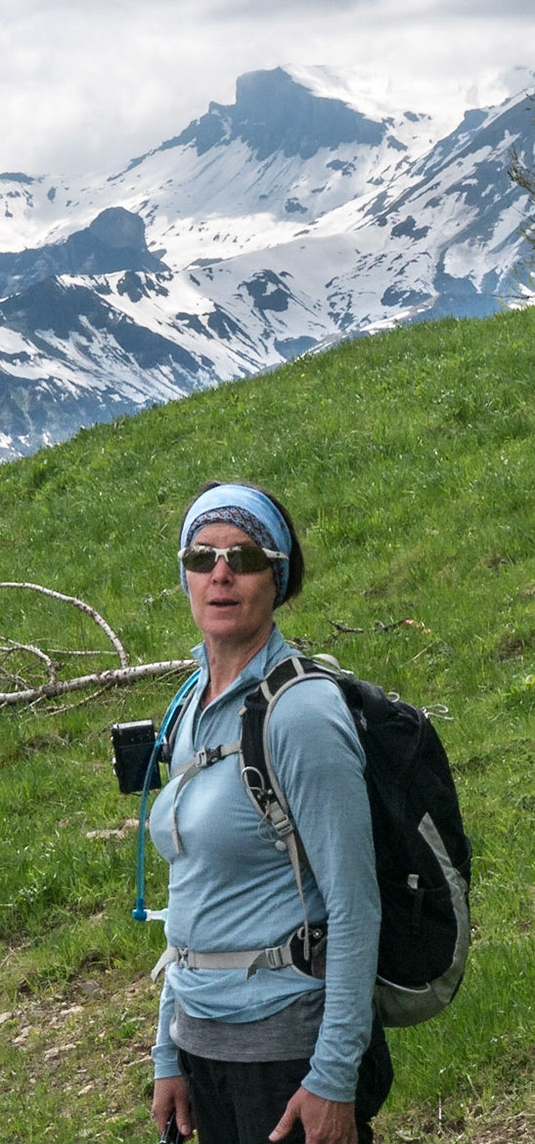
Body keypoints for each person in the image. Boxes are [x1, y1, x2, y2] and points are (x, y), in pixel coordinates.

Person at [148, 482, 390, 1144]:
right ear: (185, 574)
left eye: (245, 557)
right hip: (203, 1046)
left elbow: (355, 906)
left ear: (276, 578)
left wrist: (333, 1076)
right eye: (202, 556)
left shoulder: (301, 714)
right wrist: (169, 1050)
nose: (220, 573)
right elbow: (192, 887)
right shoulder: (191, 703)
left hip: (286, 1050)